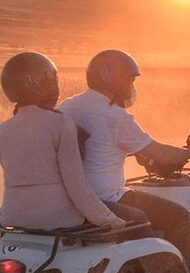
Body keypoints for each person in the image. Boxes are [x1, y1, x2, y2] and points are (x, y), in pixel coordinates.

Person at [58, 50, 190, 269]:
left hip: (69, 197)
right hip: (108, 198)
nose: (132, 86)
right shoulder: (117, 117)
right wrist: (188, 153)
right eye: (131, 79)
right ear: (114, 79)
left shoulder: (66, 106)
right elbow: (161, 153)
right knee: (178, 216)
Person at [0, 52, 126, 230]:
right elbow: (76, 185)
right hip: (57, 219)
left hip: (11, 217)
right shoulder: (60, 123)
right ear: (49, 84)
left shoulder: (3, 129)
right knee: (137, 223)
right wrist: (110, 220)